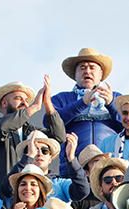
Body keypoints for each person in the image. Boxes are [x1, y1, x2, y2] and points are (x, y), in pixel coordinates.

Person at [0, 77, 66, 192]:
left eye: (26, 100)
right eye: (18, 98)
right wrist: (35, 107)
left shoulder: (32, 132)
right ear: (4, 103)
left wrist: (48, 104)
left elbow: (58, 137)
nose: (25, 103)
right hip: (0, 197)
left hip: (28, 194)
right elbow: (4, 126)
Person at [51, 47, 121, 177]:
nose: (87, 71)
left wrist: (111, 104)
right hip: (72, 169)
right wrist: (82, 103)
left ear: (101, 74)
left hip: (110, 171)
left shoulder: (117, 97)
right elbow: (50, 122)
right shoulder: (61, 98)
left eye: (92, 67)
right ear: (75, 74)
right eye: (82, 67)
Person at [10, 130, 89, 203]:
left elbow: (82, 191)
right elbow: (6, 189)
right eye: (34, 149)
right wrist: (29, 157)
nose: (39, 153)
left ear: (50, 158)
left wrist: (71, 158)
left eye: (45, 151)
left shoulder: (60, 184)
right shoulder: (19, 182)